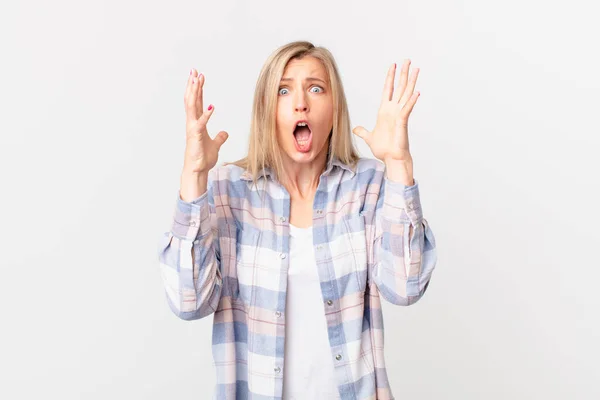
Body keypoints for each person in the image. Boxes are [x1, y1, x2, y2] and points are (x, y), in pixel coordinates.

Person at [158, 40, 438, 400]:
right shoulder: (228, 192)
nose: (300, 102)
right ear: (266, 109)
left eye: (316, 88)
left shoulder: (367, 186)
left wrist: (399, 165)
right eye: (284, 89)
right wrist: (193, 175)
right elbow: (188, 302)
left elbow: (406, 287)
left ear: (334, 109)